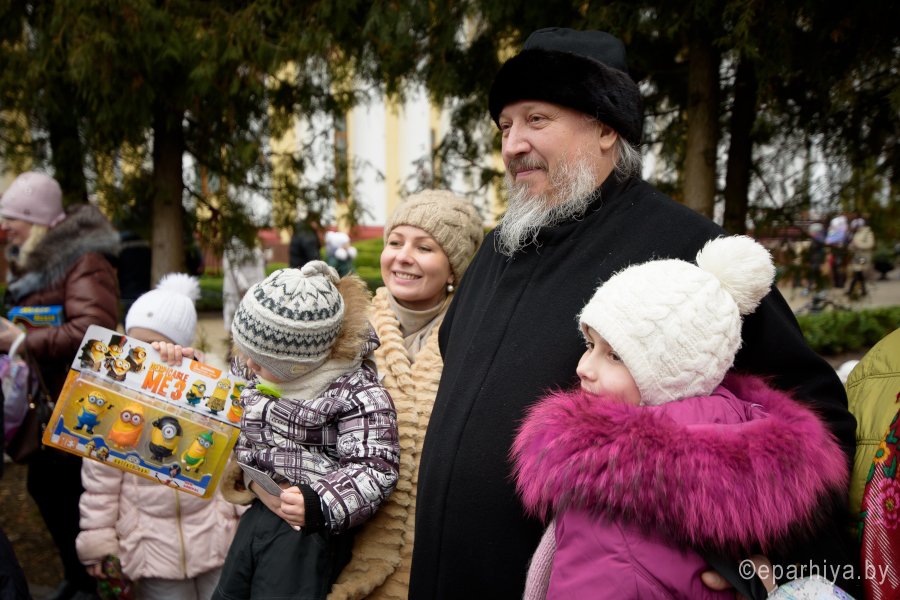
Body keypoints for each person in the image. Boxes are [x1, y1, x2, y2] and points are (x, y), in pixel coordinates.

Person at [410, 28, 858, 598]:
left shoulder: (686, 246)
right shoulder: (499, 247)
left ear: (606, 128)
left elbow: (812, 418)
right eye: (505, 126)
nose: (513, 145)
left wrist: (768, 561)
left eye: (537, 120)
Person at [513, 236, 850, 599]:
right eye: (590, 345)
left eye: (615, 356)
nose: (583, 367)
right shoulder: (738, 441)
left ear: (672, 374)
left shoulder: (616, 495)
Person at [210, 261, 400, 600]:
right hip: (259, 511)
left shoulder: (355, 393)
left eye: (260, 361)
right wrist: (176, 363)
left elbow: (374, 466)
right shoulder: (262, 366)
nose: (249, 365)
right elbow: (216, 394)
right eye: (245, 352)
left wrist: (319, 502)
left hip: (306, 533)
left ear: (300, 364)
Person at [328, 190, 483, 600]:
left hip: (436, 559)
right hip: (344, 547)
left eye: (424, 247)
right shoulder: (341, 329)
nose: (403, 257)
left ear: (453, 268)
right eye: (395, 242)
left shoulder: (476, 339)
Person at [76, 273, 242, 600]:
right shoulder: (118, 400)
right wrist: (99, 542)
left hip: (215, 539)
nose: (145, 354)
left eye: (156, 344)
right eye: (136, 344)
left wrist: (191, 373)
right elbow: (100, 484)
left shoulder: (210, 389)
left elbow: (233, 461)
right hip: (150, 546)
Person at [0, 171, 120, 600]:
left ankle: (91, 584)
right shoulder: (40, 261)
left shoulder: (83, 260)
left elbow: (95, 331)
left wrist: (21, 341)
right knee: (49, 489)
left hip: (78, 404)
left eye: (13, 219)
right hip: (53, 400)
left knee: (67, 492)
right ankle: (78, 577)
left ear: (37, 220)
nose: (6, 228)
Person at [221, 237, 267, 332]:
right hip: (237, 290)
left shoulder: (253, 241)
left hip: (254, 289)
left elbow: (259, 267)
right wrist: (243, 287)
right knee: (234, 318)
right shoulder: (232, 244)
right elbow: (232, 267)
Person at [846, 217, 875, 299]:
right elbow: (853, 245)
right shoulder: (856, 233)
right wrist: (851, 247)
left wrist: (859, 245)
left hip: (864, 256)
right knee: (858, 272)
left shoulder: (868, 233)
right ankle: (863, 290)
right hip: (857, 256)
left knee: (858, 271)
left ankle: (851, 290)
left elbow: (870, 244)